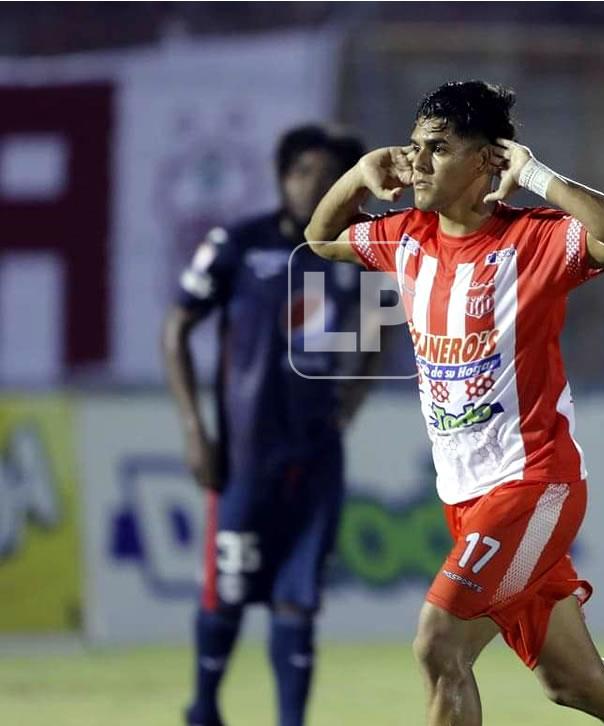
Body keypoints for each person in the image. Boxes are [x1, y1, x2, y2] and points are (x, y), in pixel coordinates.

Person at [305, 80, 604, 726]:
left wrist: (535, 174)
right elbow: (321, 239)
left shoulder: (532, 240)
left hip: (533, 484)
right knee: (576, 682)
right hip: (466, 496)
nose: (418, 163)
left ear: (487, 160)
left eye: (438, 149)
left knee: (439, 642)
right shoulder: (406, 238)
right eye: (414, 148)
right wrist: (356, 177)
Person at [164, 124, 376, 726]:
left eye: (331, 173)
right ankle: (203, 709)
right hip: (243, 455)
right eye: (304, 170)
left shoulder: (354, 255)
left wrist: (351, 401)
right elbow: (176, 326)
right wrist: (194, 429)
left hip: (316, 456)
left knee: (299, 600)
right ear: (282, 177)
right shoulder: (239, 243)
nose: (316, 184)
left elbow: (379, 329)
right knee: (227, 591)